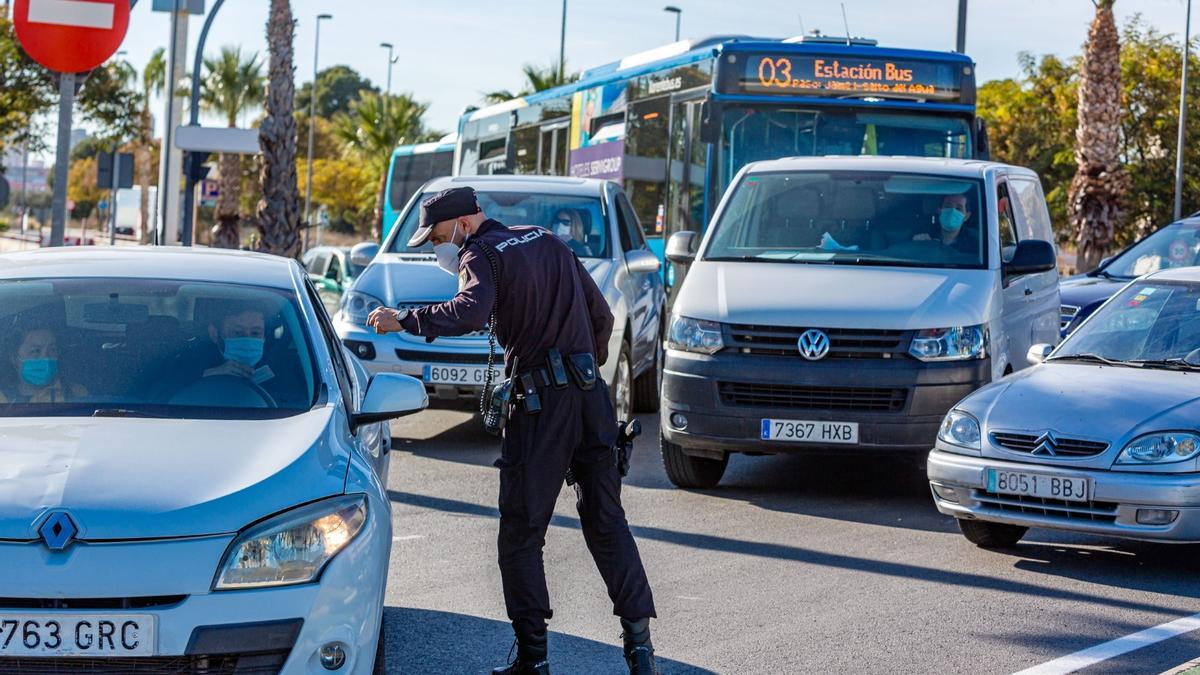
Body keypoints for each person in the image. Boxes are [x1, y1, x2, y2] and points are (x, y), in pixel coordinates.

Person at [367, 187, 657, 675]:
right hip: (591, 402)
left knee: (521, 534)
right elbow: (602, 317)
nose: (440, 246)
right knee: (608, 525)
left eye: (437, 236)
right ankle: (641, 652)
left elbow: (470, 311)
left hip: (542, 409)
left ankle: (533, 660)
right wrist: (582, 367)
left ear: (460, 223)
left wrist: (404, 320)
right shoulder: (546, 239)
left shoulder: (478, 253)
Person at [0, 319, 86, 404]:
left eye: (52, 350)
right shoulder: (2, 400)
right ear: (14, 357)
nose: (45, 357)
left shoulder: (76, 392)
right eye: (35, 351)